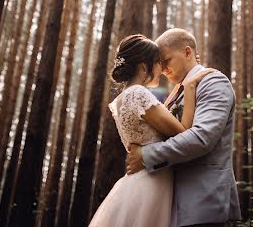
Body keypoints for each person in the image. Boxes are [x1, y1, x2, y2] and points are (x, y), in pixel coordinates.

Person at [88, 33, 214, 227]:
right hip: (152, 182)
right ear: (143, 67)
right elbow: (184, 132)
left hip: (140, 179)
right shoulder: (138, 94)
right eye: (157, 63)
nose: (162, 69)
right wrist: (189, 88)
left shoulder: (120, 100)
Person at [127, 28, 241, 227]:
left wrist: (146, 156)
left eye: (166, 61)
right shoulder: (178, 91)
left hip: (202, 202)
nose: (162, 69)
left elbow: (201, 139)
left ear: (187, 52)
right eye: (159, 64)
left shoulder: (213, 82)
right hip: (170, 203)